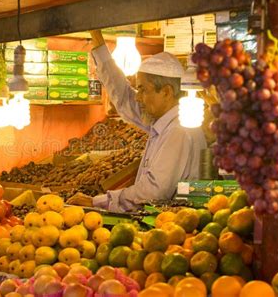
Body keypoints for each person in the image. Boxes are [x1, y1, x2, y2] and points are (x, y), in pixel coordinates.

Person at [67, 30, 207, 212]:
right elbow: (125, 98)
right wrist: (98, 41)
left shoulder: (178, 130)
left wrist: (99, 202)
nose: (138, 98)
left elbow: (153, 193)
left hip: (172, 228)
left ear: (166, 92)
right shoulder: (164, 121)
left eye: (142, 90)